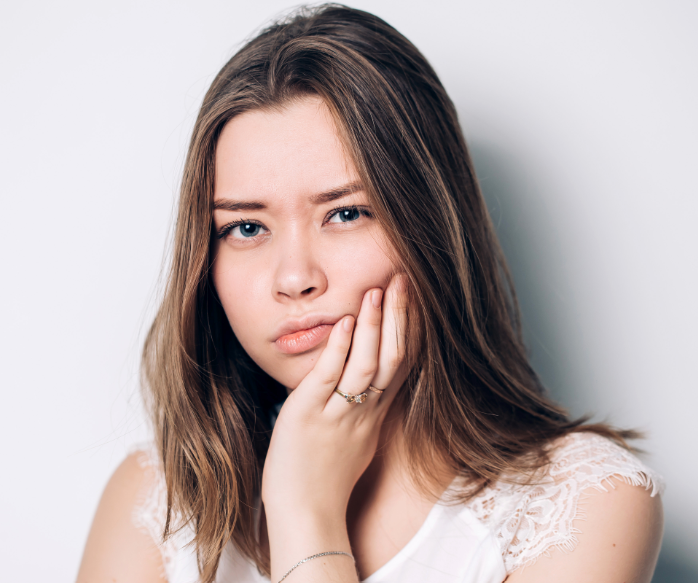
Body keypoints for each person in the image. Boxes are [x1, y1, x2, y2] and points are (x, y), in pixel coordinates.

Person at [76, 5, 664, 583]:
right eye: (246, 228)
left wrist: (307, 511)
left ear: (431, 224)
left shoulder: (583, 504)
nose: (294, 277)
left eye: (346, 213)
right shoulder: (155, 502)